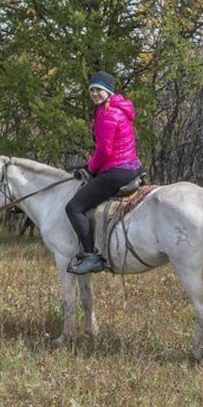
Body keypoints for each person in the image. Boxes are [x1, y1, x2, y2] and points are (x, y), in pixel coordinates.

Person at [66, 71, 144, 275]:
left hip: (118, 169)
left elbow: (104, 151)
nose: (94, 93)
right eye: (91, 89)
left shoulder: (106, 113)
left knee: (74, 207)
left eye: (99, 89)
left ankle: (91, 256)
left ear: (108, 92)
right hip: (132, 165)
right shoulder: (120, 109)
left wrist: (90, 169)